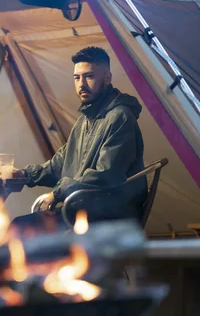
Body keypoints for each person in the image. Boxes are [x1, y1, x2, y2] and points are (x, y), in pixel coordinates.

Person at [11, 46, 147, 230]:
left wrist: (57, 194)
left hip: (108, 215)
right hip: (83, 209)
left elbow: (105, 176)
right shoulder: (85, 120)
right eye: (77, 77)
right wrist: (26, 175)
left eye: (89, 76)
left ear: (107, 78)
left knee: (20, 229)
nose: (81, 84)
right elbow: (59, 164)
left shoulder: (120, 118)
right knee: (18, 227)